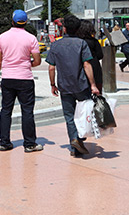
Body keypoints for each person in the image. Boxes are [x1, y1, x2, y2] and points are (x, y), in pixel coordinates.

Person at [45, 15, 100, 157]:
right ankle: (79, 139)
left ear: (64, 28)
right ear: (77, 29)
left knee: (69, 116)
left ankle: (74, 141)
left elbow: (51, 67)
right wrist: (93, 84)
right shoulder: (81, 44)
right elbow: (87, 64)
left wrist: (53, 84)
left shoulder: (56, 45)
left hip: (64, 86)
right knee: (83, 114)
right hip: (81, 84)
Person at [0, 10, 43, 152]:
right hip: (25, 78)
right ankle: (29, 144)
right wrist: (27, 64)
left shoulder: (2, 37)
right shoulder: (31, 38)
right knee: (27, 111)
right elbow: (37, 61)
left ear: (12, 21)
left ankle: (4, 142)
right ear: (25, 22)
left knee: (6, 110)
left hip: (8, 78)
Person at [77, 20, 104, 92]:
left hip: (79, 68)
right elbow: (100, 55)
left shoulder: (77, 42)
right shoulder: (94, 41)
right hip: (94, 66)